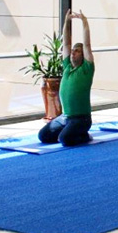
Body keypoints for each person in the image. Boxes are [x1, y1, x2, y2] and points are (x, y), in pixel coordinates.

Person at [38, 9, 95, 146]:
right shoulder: (67, 67)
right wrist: (66, 22)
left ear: (83, 55)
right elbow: (66, 44)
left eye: (77, 51)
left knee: (65, 140)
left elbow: (87, 45)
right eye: (73, 51)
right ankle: (68, 130)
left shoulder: (87, 69)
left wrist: (84, 21)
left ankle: (84, 135)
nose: (72, 53)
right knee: (43, 136)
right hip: (64, 117)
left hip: (81, 119)